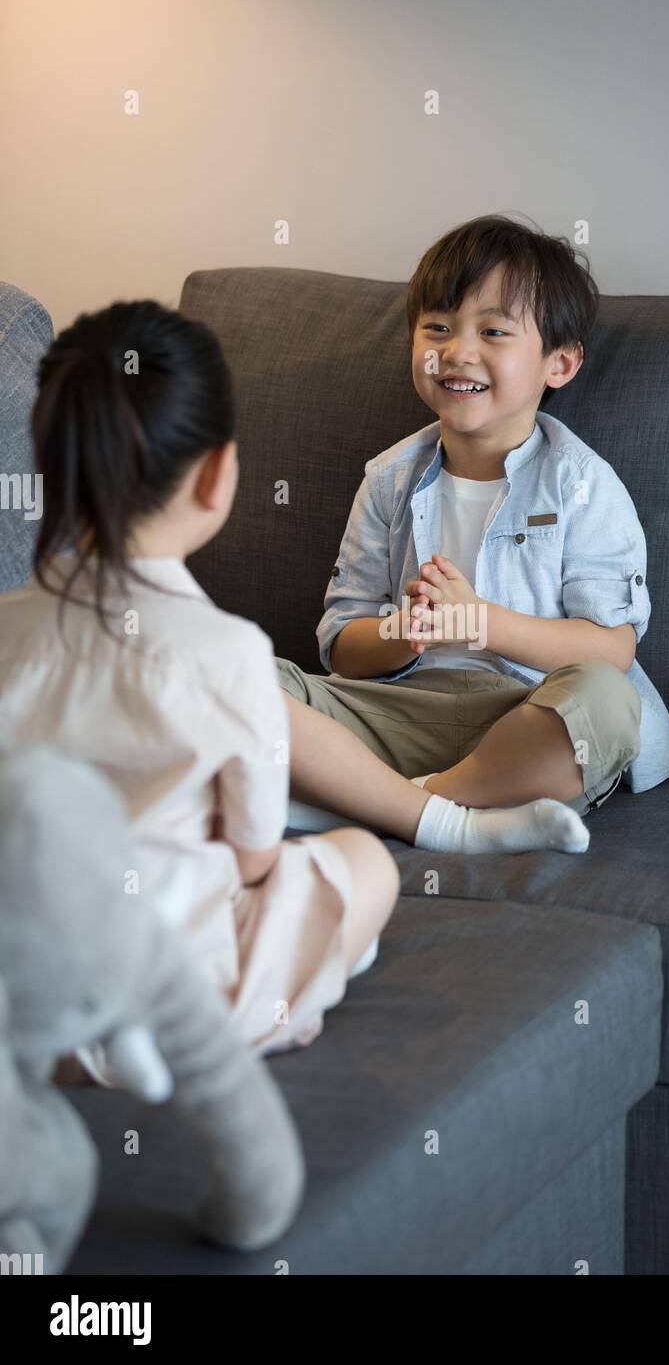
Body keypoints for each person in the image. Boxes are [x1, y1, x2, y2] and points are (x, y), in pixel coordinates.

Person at [0, 299, 402, 1072]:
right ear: (218, 474)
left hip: (29, 989)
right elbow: (253, 863)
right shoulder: (228, 653)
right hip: (167, 1001)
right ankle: (292, 987)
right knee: (363, 865)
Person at [275, 214, 669, 841]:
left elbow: (611, 649)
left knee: (605, 700)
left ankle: (392, 805)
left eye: (494, 331)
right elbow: (342, 644)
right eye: (437, 326)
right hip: (396, 712)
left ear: (560, 364)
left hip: (521, 715)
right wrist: (401, 631)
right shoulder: (388, 479)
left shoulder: (581, 484)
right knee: (239, 679)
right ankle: (430, 809)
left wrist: (479, 620)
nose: (457, 352)